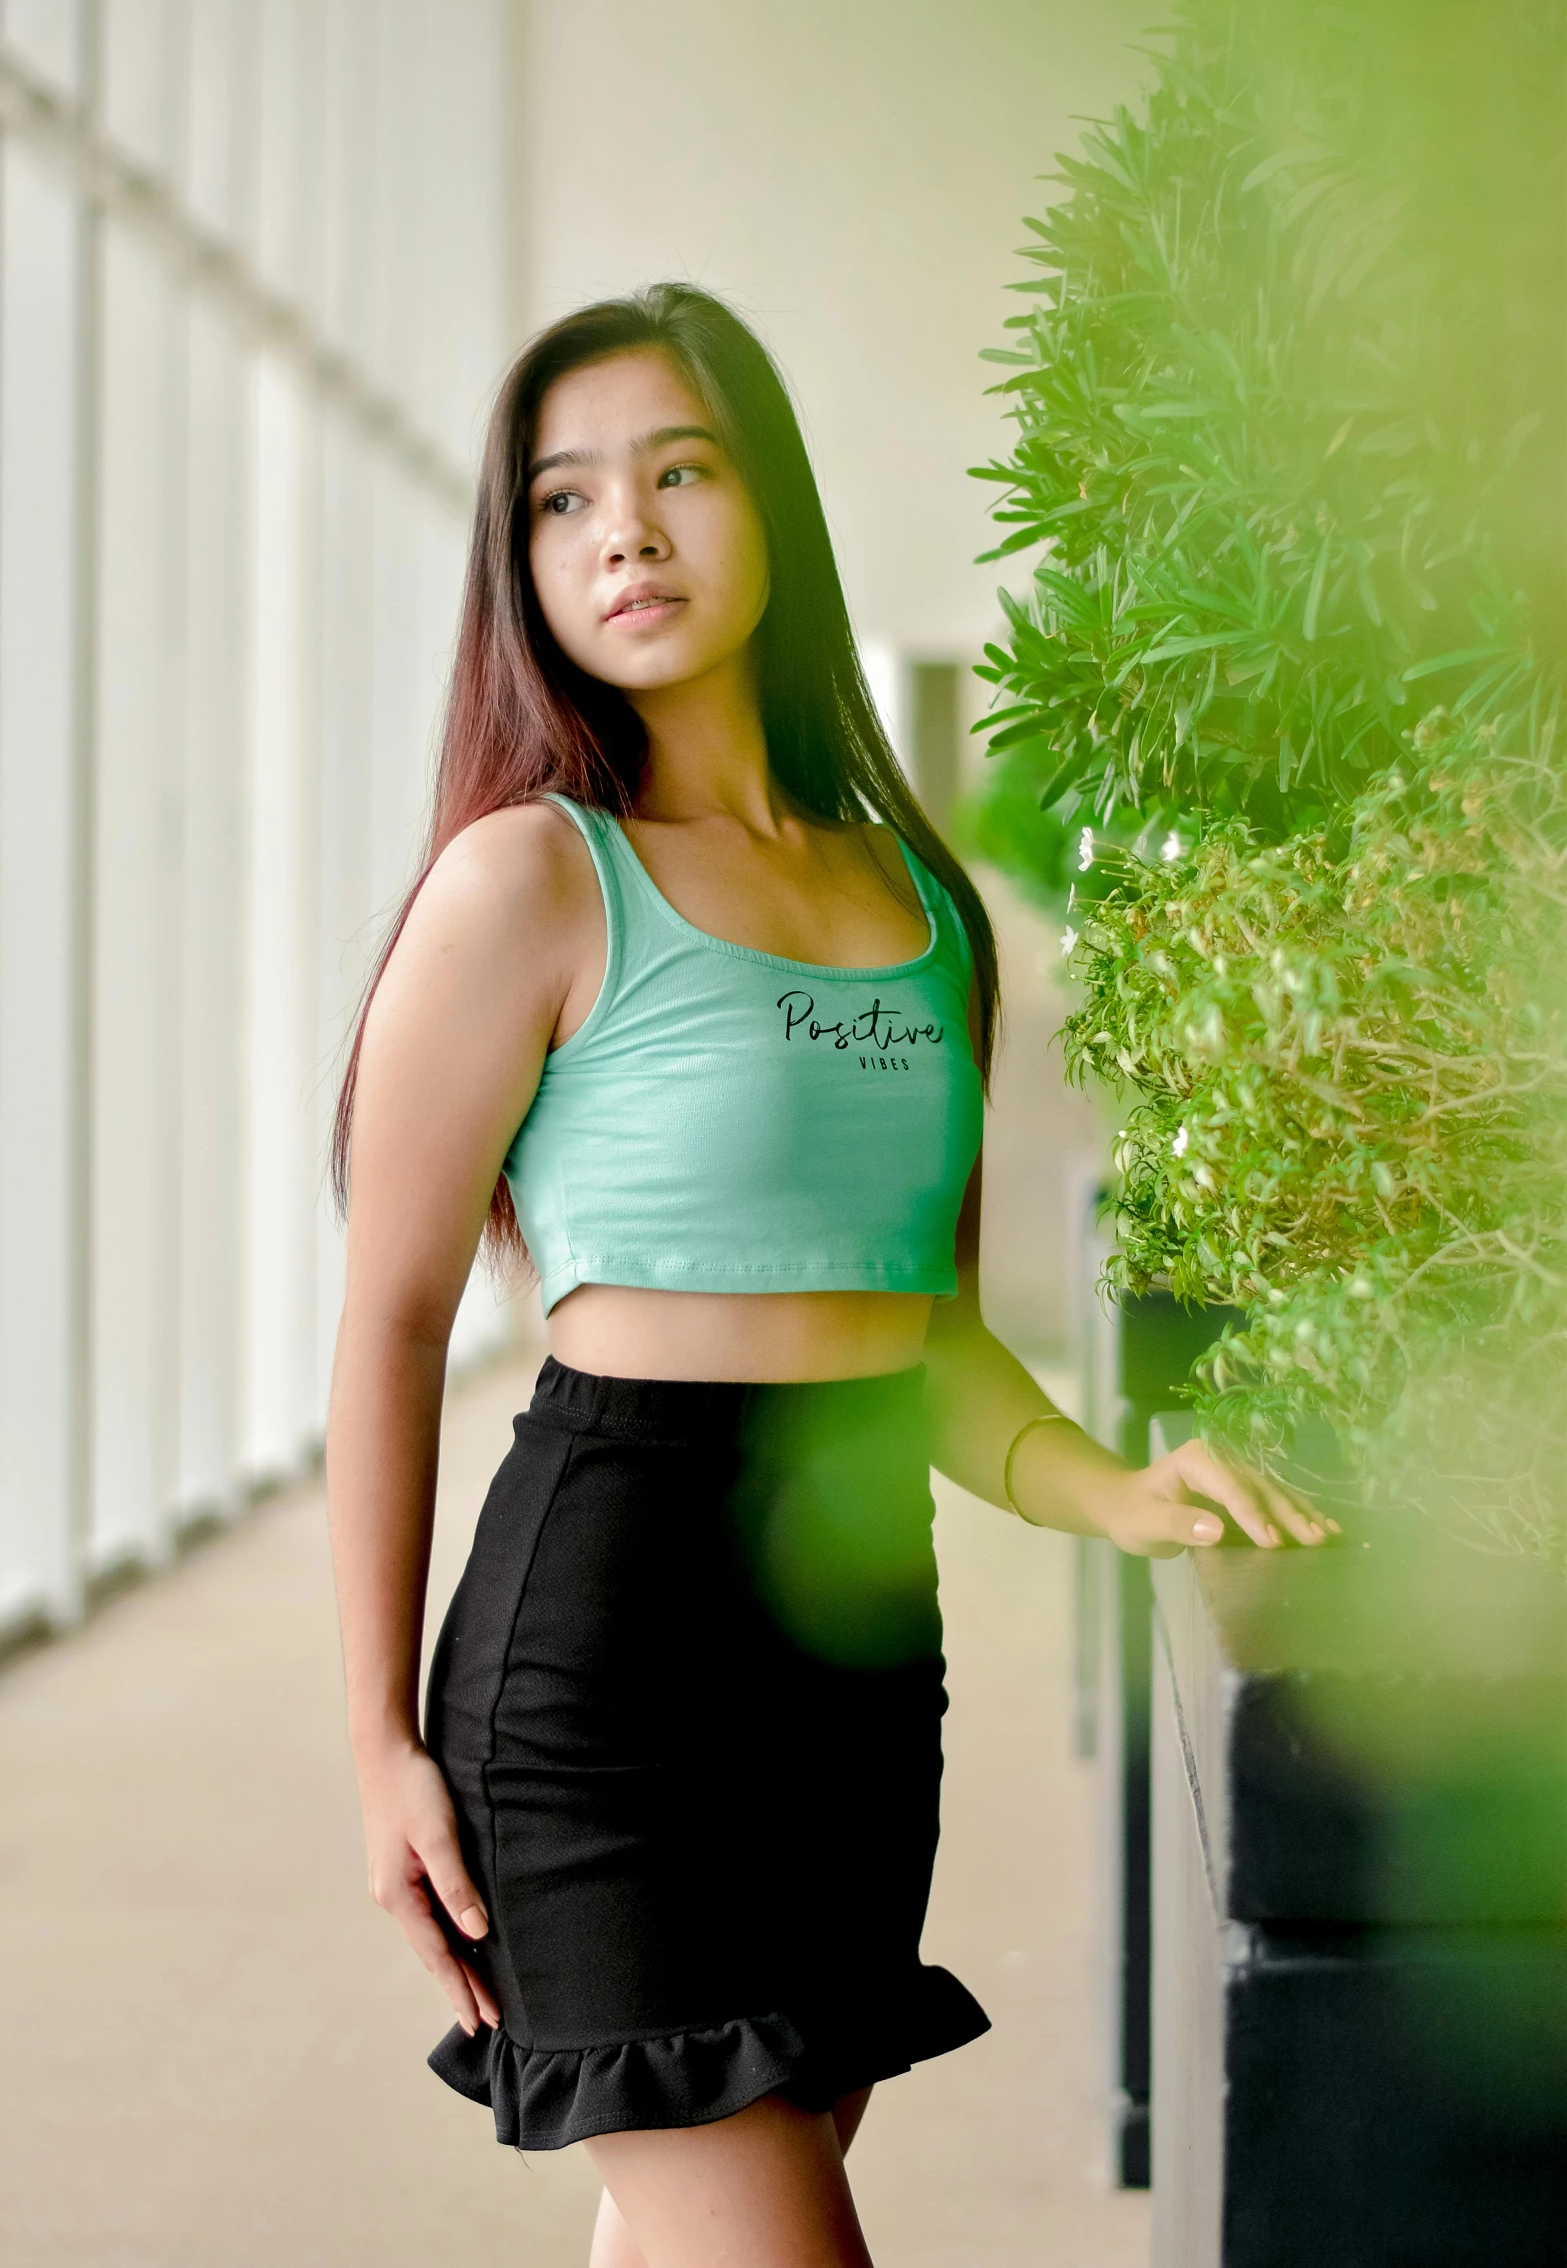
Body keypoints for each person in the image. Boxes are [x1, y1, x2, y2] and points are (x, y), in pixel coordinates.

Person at [324, 282, 1334, 2268]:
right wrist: (375, 1739)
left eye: (679, 470)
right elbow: (387, 1316)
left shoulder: (915, 901)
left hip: (861, 1657)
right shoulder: (530, 879)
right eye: (561, 498)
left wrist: (1114, 1484)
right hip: (604, 1657)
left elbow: (922, 1330)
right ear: (520, 564)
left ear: (767, 502)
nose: (623, 529)